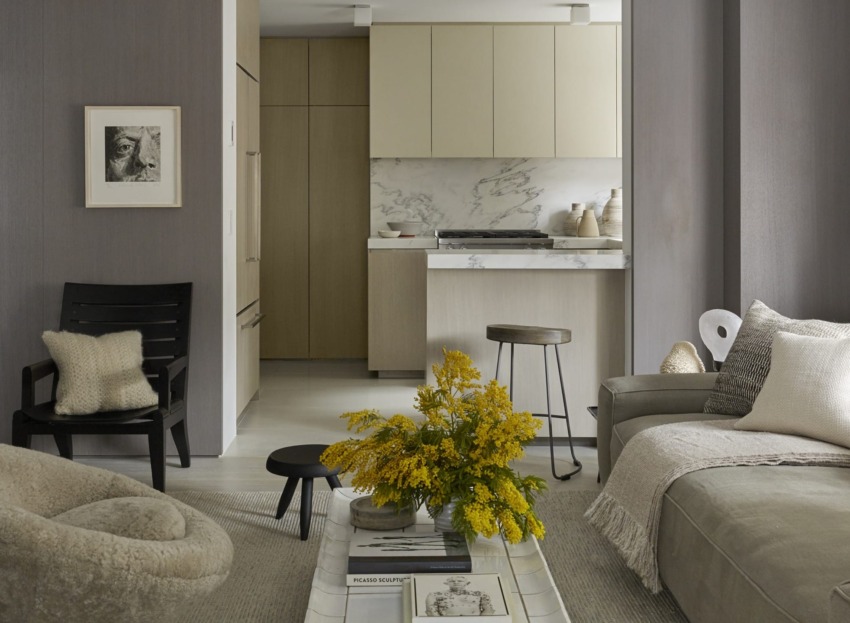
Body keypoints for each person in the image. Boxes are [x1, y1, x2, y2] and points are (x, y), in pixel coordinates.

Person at [424, 576, 495, 617]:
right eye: (452, 581)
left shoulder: (480, 594)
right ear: (446, 583)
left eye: (460, 581)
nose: (456, 582)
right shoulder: (435, 595)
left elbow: (488, 610)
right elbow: (431, 612)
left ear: (467, 583)